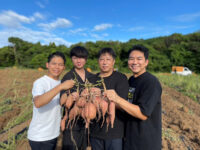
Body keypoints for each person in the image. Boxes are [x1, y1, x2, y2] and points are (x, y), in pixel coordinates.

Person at [105, 45, 162, 150]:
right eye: (131, 59)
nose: (134, 62)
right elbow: (127, 105)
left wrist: (117, 98)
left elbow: (143, 114)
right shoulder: (131, 80)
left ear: (146, 62)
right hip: (130, 140)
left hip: (145, 143)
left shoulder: (151, 82)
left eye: (139, 59)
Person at [27, 51, 75, 150]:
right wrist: (61, 87)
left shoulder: (60, 83)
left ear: (64, 67)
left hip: (53, 134)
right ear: (47, 65)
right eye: (54, 64)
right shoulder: (40, 82)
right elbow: (38, 102)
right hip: (40, 136)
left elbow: (61, 103)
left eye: (60, 64)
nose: (57, 67)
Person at [89, 48, 129, 150]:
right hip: (95, 132)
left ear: (113, 61)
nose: (105, 62)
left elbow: (122, 104)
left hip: (114, 133)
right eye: (102, 59)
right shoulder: (91, 79)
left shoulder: (121, 78)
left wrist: (101, 97)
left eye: (108, 59)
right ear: (98, 61)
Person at [60, 46, 93, 150]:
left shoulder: (92, 77)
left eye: (81, 57)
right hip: (71, 122)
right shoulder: (67, 77)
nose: (79, 60)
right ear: (72, 59)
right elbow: (62, 101)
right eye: (75, 58)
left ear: (86, 59)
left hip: (88, 121)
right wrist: (70, 96)